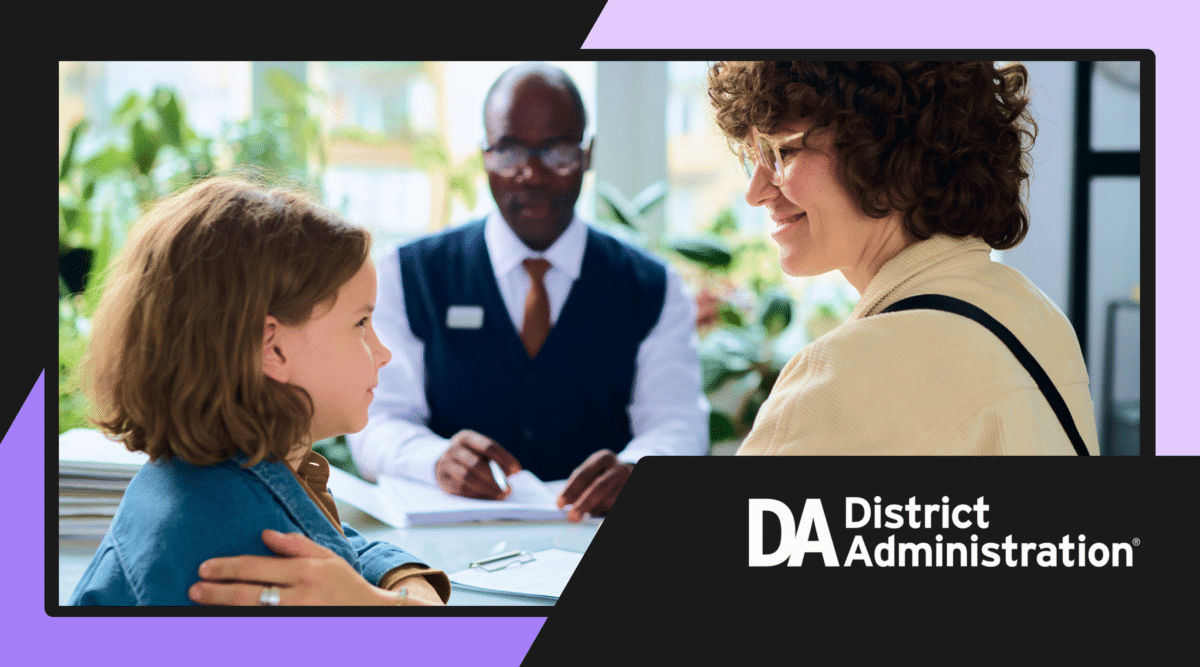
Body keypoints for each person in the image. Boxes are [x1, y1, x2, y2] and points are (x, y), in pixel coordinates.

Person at [348, 63, 708, 518]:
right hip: (449, 548)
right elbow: (376, 419)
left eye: (557, 152)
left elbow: (677, 421)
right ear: (484, 155)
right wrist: (434, 459)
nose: (532, 175)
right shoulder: (409, 273)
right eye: (510, 151)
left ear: (588, 154)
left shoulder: (652, 285)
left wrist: (640, 467)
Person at [69, 176, 451, 606]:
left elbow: (337, 547)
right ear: (273, 348)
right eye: (361, 323)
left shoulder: (223, 478)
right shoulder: (238, 549)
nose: (383, 354)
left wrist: (400, 590)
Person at [705, 61, 1100, 455]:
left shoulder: (850, 372)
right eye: (750, 157)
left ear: (887, 147)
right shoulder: (1034, 315)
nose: (755, 193)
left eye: (782, 152)